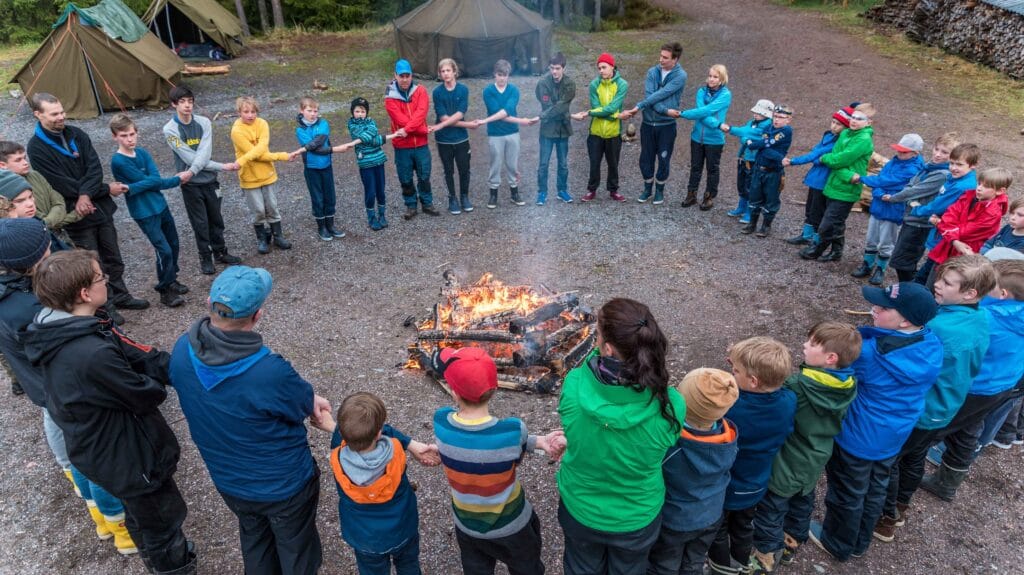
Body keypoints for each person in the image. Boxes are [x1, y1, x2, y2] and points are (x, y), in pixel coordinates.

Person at [23, 249, 195, 574]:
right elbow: (145, 394)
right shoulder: (90, 354)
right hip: (128, 458)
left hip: (104, 450)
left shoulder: (72, 326)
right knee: (162, 523)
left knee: (141, 517)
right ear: (84, 293)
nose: (108, 280)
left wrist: (175, 365)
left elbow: (131, 350)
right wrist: (158, 381)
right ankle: (173, 566)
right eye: (101, 276)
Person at [167, 265, 333, 575]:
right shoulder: (269, 371)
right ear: (257, 316)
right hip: (284, 486)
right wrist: (309, 399)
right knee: (297, 552)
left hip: (230, 482)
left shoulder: (180, 351)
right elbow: (298, 405)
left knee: (256, 540)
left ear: (208, 303)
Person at [0, 218, 138, 556]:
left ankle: (99, 515)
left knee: (72, 453)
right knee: (95, 460)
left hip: (46, 392)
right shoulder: (32, 307)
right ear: (34, 259)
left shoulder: (12, 294)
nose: (52, 245)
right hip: (68, 393)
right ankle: (118, 525)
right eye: (47, 244)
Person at [808, 282, 942, 562]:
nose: (873, 310)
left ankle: (837, 543)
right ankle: (860, 540)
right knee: (875, 487)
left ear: (904, 319)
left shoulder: (870, 353)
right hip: (894, 434)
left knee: (846, 491)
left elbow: (832, 371)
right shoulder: (931, 342)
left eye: (882, 308)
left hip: (858, 436)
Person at [557, 298, 685, 575]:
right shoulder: (671, 405)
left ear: (608, 349)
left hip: (581, 508)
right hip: (637, 516)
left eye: (598, 335)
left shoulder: (574, 386)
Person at [874, 255, 994, 542]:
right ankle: (902, 504)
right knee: (914, 457)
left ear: (970, 293)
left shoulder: (938, 328)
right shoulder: (980, 317)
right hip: (946, 407)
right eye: (940, 278)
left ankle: (885, 517)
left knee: (888, 461)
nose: (937, 285)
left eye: (947, 283)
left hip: (921, 409)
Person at [430, 347, 564, 575]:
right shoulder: (512, 430)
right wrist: (541, 441)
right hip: (511, 525)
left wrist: (539, 441)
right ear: (494, 387)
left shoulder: (441, 422)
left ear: (453, 391)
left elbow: (482, 444)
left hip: (467, 525)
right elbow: (515, 449)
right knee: (526, 568)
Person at [749, 322, 861, 573]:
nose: (804, 345)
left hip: (789, 458)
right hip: (817, 454)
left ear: (830, 358)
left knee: (771, 507)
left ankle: (764, 557)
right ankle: (791, 542)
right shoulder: (847, 383)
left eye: (812, 343)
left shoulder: (798, 386)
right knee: (802, 500)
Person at [26, 92, 149, 313]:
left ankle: (121, 295)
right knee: (90, 264)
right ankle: (105, 306)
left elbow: (94, 168)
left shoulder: (77, 134)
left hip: (98, 208)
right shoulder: (36, 148)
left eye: (62, 111)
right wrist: (89, 194)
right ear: (38, 114)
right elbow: (57, 182)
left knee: (113, 256)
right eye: (54, 114)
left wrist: (86, 194)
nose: (61, 116)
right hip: (77, 215)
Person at [919, 259, 1024, 501]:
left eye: (991, 286)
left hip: (974, 386)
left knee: (936, 428)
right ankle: (947, 483)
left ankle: (910, 461)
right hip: (1003, 385)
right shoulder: (1015, 312)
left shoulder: (988, 319)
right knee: (968, 429)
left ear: (1003, 294)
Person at [316, 392, 439, 575]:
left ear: (342, 433)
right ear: (379, 433)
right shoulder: (396, 450)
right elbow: (387, 432)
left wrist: (329, 421)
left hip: (365, 539)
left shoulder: (337, 455)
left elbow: (341, 433)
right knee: (409, 565)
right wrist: (411, 444)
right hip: (403, 529)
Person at [707, 337, 796, 575]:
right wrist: (740, 361)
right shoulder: (789, 401)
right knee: (744, 525)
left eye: (735, 371)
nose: (731, 373)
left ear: (753, 381)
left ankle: (722, 567)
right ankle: (742, 560)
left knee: (719, 527)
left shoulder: (732, 407)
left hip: (727, 484)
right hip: (756, 483)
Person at [646, 368, 739, 575]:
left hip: (675, 521)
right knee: (694, 562)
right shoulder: (728, 436)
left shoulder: (673, 443)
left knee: (664, 565)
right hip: (711, 515)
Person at [108, 113, 190, 308]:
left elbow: (152, 178)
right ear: (115, 137)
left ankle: (171, 278)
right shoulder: (118, 161)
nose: (129, 139)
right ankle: (164, 288)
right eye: (124, 136)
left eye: (132, 134)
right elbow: (154, 181)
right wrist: (177, 179)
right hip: (144, 212)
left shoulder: (143, 153)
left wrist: (134, 187)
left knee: (174, 244)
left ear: (137, 133)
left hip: (160, 205)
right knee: (164, 250)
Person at [163, 84, 242, 275]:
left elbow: (204, 154)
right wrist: (221, 166)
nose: (187, 106)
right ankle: (205, 257)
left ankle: (220, 252)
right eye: (182, 102)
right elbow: (188, 157)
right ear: (174, 104)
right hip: (190, 184)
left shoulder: (204, 123)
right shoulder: (170, 130)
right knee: (200, 222)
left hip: (209, 180)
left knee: (216, 218)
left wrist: (196, 169)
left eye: (190, 101)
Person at [799, 104, 876, 263]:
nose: (854, 121)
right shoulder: (847, 132)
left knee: (828, 223)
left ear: (869, 122)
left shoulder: (863, 139)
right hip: (835, 184)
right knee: (837, 222)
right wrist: (844, 171)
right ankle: (836, 252)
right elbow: (836, 158)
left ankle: (816, 249)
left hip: (846, 189)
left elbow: (840, 159)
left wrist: (825, 159)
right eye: (853, 117)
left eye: (860, 118)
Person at [850, 134, 926, 286]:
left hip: (893, 210)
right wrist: (878, 193)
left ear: (915, 153)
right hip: (879, 205)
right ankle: (867, 264)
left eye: (904, 152)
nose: (899, 153)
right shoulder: (894, 161)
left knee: (886, 241)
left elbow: (889, 182)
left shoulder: (913, 169)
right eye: (899, 150)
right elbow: (881, 181)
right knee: (871, 237)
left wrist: (863, 179)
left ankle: (880, 268)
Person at [884, 132, 961, 281]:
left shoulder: (942, 174)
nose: (938, 154)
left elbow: (915, 190)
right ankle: (907, 289)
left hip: (920, 223)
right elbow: (912, 183)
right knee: (901, 259)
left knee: (904, 261)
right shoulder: (929, 167)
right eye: (937, 149)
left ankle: (909, 292)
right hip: (912, 218)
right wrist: (909, 195)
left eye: (944, 152)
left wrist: (894, 198)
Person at [920, 167, 1010, 287]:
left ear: (999, 191)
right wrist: (953, 239)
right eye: (979, 183)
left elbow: (965, 231)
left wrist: (945, 227)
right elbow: (949, 215)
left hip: (963, 255)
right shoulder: (969, 196)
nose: (979, 188)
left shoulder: (992, 213)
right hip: (949, 246)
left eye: (986, 186)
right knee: (930, 280)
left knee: (946, 285)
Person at [621, 42, 687, 205]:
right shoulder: (652, 72)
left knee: (664, 159)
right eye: (660, 56)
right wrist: (663, 109)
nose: (661, 60)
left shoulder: (680, 76)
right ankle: (647, 188)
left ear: (675, 59)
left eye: (665, 58)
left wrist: (640, 106)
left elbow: (661, 94)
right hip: (648, 123)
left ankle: (659, 190)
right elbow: (651, 96)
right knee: (646, 158)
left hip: (666, 126)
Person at [230, 96, 297, 254]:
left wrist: (242, 160)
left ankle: (278, 235)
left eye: (253, 111)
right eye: (246, 112)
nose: (250, 115)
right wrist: (282, 156)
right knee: (258, 209)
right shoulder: (236, 131)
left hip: (267, 173)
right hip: (249, 176)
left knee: (272, 206)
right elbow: (257, 154)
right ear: (239, 112)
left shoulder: (262, 123)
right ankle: (262, 237)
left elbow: (261, 148)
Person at [907, 143, 980, 284]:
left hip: (945, 236)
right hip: (942, 229)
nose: (953, 168)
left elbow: (937, 205)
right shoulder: (956, 178)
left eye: (959, 164)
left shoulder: (962, 186)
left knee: (931, 274)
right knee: (928, 269)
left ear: (973, 165)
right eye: (952, 163)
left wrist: (916, 209)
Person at [782, 107, 851, 244]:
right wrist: (817, 158)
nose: (834, 126)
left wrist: (793, 161)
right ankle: (807, 235)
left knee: (818, 210)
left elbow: (817, 154)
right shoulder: (828, 135)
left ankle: (816, 239)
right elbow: (816, 153)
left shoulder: (838, 143)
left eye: (838, 124)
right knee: (810, 208)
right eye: (833, 122)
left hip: (823, 180)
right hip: (816, 178)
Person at [478, 59, 539, 209]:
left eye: (505, 75)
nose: (502, 78)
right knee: (495, 163)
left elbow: (506, 111)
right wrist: (521, 120)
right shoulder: (488, 91)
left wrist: (485, 120)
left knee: (512, 163)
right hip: (495, 134)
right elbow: (498, 112)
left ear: (508, 75)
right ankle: (493, 194)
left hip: (512, 133)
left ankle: (514, 193)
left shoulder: (514, 90)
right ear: (494, 75)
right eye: (499, 74)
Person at [385, 59, 439, 220]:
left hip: (420, 144)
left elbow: (421, 113)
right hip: (402, 146)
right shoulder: (389, 97)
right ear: (395, 75)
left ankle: (427, 203)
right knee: (405, 177)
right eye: (401, 76)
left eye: (407, 76)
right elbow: (399, 119)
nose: (405, 79)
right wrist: (422, 129)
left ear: (411, 75)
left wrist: (409, 130)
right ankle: (410, 205)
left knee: (424, 175)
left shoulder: (420, 91)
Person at [572, 53, 629, 203]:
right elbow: (599, 108)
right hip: (596, 132)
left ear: (612, 66)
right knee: (594, 163)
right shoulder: (593, 85)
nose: (601, 71)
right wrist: (615, 116)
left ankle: (613, 190)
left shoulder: (622, 84)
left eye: (604, 67)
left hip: (613, 132)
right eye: (599, 68)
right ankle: (592, 190)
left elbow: (611, 107)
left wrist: (591, 113)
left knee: (613, 163)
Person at [340, 97, 399, 231]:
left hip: (378, 160)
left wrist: (369, 138)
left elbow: (371, 134)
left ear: (366, 112)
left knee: (381, 190)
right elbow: (371, 139)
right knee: (370, 191)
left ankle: (382, 215)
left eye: (362, 111)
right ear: (352, 112)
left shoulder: (371, 122)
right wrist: (373, 138)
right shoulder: (352, 125)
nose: (360, 114)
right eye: (357, 111)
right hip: (366, 164)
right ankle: (371, 217)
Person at [0, 140, 81, 235]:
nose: (26, 163)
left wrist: (47, 222)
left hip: (59, 234)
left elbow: (58, 202)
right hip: (35, 235)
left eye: (24, 158)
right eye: (18, 160)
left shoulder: (35, 175)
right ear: (2, 165)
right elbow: (39, 222)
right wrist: (76, 215)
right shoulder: (5, 189)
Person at [679, 64, 732, 210]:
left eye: (715, 77)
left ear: (722, 79)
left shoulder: (725, 95)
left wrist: (682, 113)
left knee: (712, 168)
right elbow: (701, 112)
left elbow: (705, 111)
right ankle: (691, 195)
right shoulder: (701, 92)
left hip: (714, 139)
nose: (712, 79)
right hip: (697, 137)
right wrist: (718, 124)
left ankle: (709, 197)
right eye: (710, 76)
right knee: (695, 167)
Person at [429, 58, 476, 213]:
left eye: (448, 70)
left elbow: (460, 113)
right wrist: (468, 125)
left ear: (454, 72)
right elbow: (443, 118)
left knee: (464, 169)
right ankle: (452, 198)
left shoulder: (463, 90)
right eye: (443, 71)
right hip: (444, 140)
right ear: (440, 74)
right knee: (448, 170)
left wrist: (441, 125)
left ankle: (464, 197)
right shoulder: (437, 92)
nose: (446, 74)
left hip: (461, 138)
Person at [294, 95, 344, 241]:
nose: (313, 114)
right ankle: (321, 227)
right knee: (317, 197)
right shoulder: (299, 130)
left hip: (326, 166)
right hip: (311, 168)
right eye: (309, 110)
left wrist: (312, 146)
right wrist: (333, 149)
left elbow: (318, 141)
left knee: (330, 195)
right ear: (301, 111)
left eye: (315, 111)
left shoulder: (324, 123)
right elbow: (314, 148)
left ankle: (331, 225)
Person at [742, 105, 794, 237]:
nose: (777, 120)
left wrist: (752, 145)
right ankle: (752, 224)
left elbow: (766, 147)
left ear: (788, 120)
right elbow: (766, 145)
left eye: (781, 117)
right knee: (754, 196)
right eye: (775, 116)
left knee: (771, 199)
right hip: (759, 169)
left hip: (773, 171)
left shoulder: (786, 131)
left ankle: (766, 226)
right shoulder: (767, 128)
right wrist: (762, 146)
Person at [720, 99, 776, 222]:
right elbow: (744, 136)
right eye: (756, 112)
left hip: (753, 160)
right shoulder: (752, 122)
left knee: (752, 187)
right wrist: (747, 140)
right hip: (744, 157)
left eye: (759, 113)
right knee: (742, 183)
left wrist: (730, 129)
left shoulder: (767, 126)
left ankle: (750, 212)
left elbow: (745, 132)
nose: (756, 114)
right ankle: (741, 207)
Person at [535, 52, 576, 205]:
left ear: (563, 68)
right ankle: (542, 192)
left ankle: (562, 191)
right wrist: (553, 112)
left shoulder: (570, 84)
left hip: (563, 129)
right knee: (543, 163)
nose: (554, 72)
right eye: (552, 68)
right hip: (547, 130)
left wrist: (543, 115)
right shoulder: (543, 83)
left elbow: (561, 106)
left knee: (563, 163)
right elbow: (545, 103)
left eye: (557, 68)